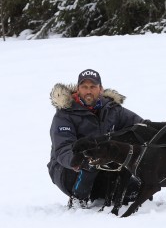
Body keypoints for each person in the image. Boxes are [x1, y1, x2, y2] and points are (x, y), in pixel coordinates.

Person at [48, 69, 144, 205]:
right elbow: (62, 148)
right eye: (84, 87)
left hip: (103, 167)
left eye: (92, 87)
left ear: (100, 89)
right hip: (68, 171)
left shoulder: (112, 109)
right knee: (89, 160)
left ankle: (100, 191)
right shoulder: (64, 115)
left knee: (135, 191)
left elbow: (140, 126)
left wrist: (161, 131)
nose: (88, 91)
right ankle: (78, 199)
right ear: (78, 89)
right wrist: (75, 160)